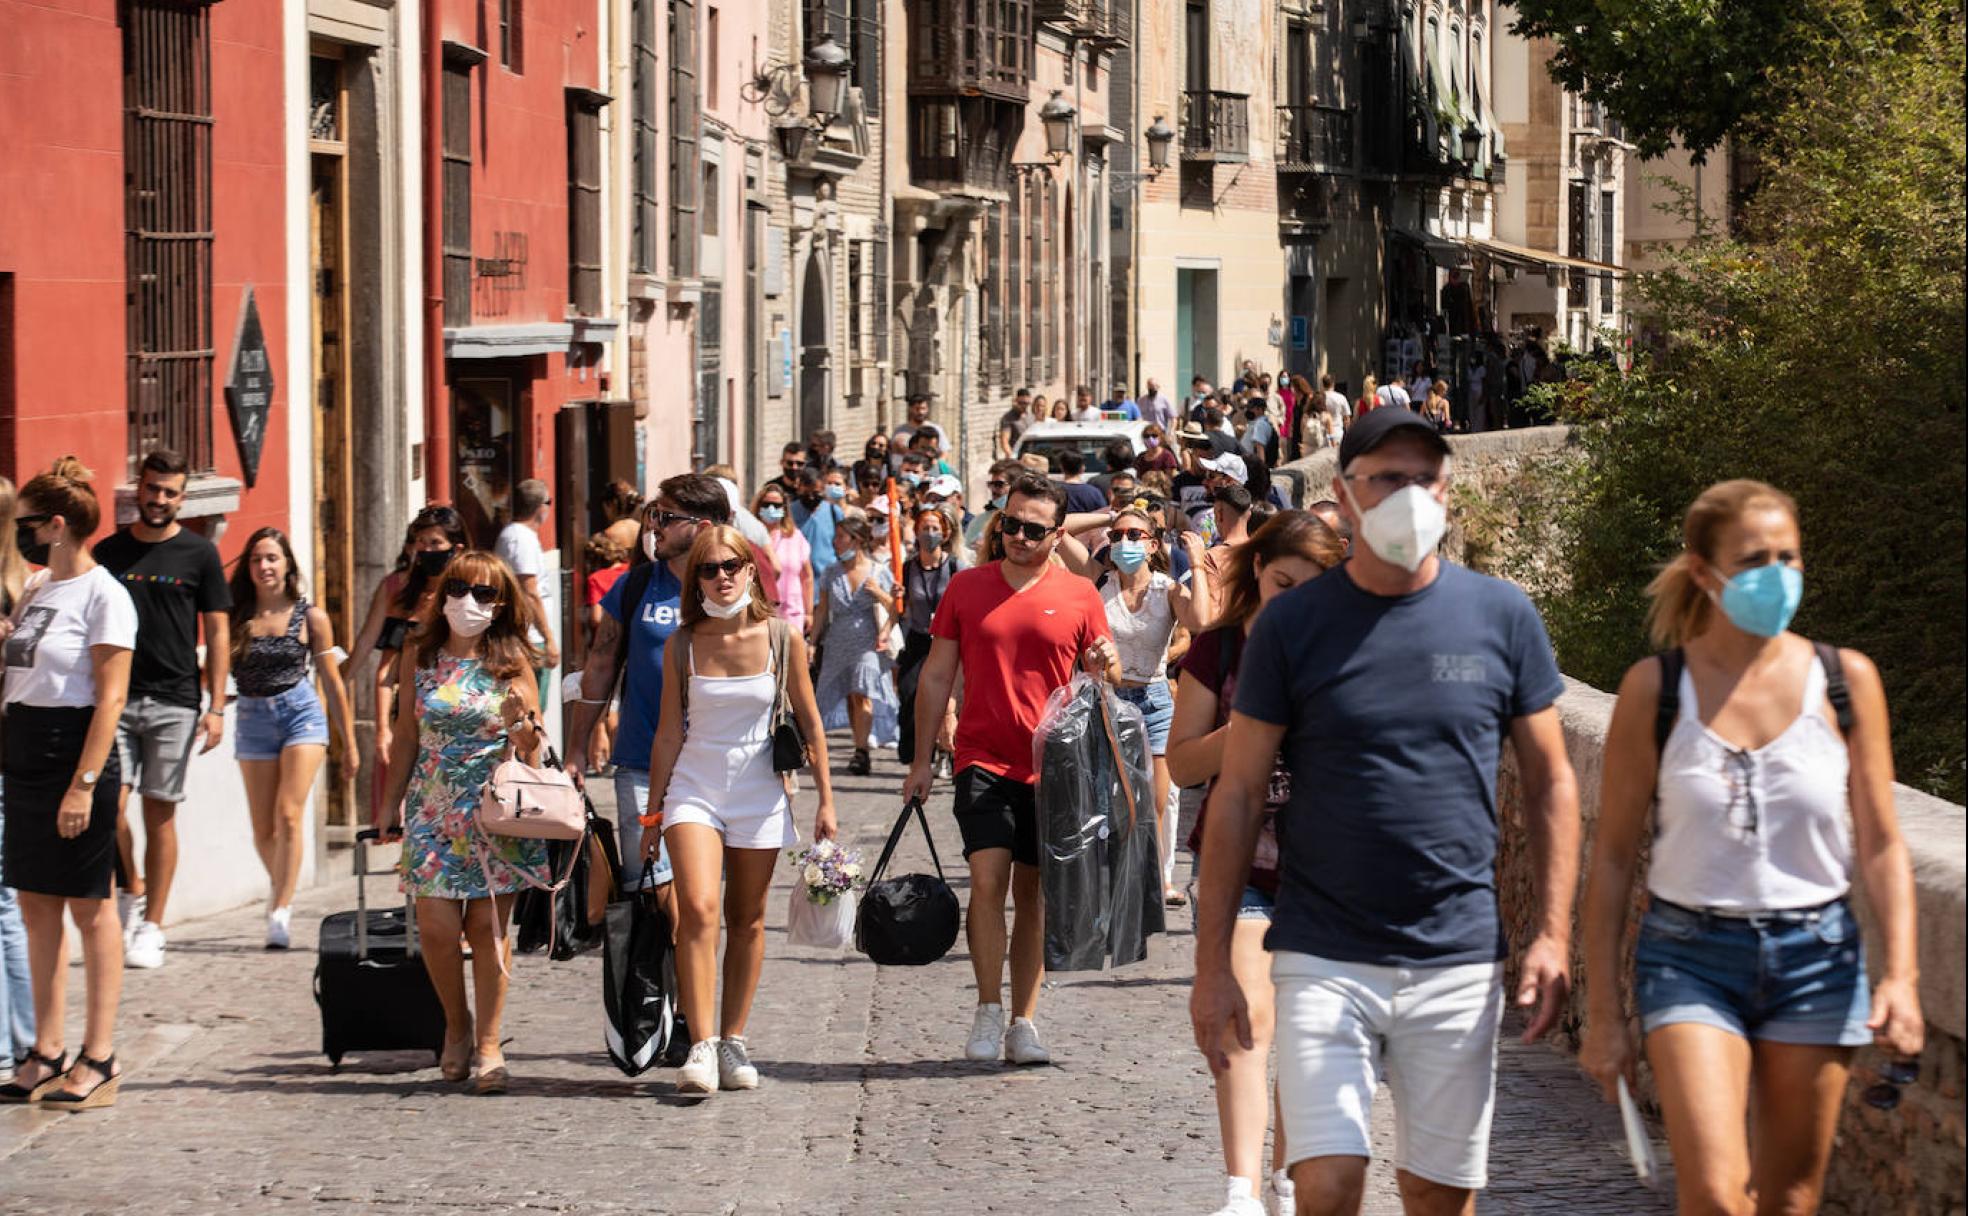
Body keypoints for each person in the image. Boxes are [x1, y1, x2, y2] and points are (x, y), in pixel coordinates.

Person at [1190, 407, 1581, 1214]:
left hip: (1454, 951)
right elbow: (1238, 793)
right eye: (1387, 478)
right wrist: (1211, 964)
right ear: (1345, 495)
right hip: (1322, 948)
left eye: (1424, 478)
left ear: (1448, 490)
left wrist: (1552, 932)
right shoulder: (1293, 625)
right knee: (1327, 1181)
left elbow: (1550, 782)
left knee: (1437, 1193)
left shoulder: (1500, 615)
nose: (1409, 494)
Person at [1577, 480, 1924, 1216]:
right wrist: (1604, 1011)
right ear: (1705, 572)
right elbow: (1610, 859)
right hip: (1690, 957)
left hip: (1818, 954)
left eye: (1789, 557)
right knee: (1713, 1194)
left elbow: (1882, 844)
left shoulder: (1846, 682)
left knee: (1791, 1199)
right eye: (1755, 560)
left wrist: (1900, 976)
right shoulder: (1656, 689)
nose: (1778, 574)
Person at [902, 473, 1119, 1067]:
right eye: (1010, 524)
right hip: (981, 757)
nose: (1019, 536)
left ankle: (1024, 1021)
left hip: (1054, 767)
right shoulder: (967, 587)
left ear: (1057, 534)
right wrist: (921, 761)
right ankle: (987, 1007)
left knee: (1034, 895)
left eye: (1033, 529)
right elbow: (937, 676)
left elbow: (1106, 675)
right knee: (987, 880)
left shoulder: (1080, 595)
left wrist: (1105, 660)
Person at [1169, 510, 1345, 1216]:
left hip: (1326, 868)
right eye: (1282, 584)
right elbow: (1182, 765)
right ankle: (1240, 1193)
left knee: (1308, 1034)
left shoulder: (1347, 653)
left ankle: (1286, 1179)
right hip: (1240, 860)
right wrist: (1244, 730)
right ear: (1259, 570)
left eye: (1312, 590)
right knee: (1248, 1013)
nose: (1294, 603)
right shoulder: (1218, 649)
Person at [642, 525, 834, 1094]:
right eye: (708, 569)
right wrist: (652, 815)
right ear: (695, 579)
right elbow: (668, 734)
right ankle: (700, 1045)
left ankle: (732, 1039)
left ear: (751, 570)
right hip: (694, 787)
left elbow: (811, 723)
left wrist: (826, 800)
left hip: (759, 790)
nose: (721, 577)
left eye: (731, 565)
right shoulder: (682, 644)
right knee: (698, 909)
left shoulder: (781, 637)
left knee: (746, 917)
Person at [378, 550, 548, 1093]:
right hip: (432, 806)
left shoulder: (511, 660)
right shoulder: (420, 654)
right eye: (458, 589)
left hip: (494, 810)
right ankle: (457, 1023)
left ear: (500, 604)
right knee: (435, 927)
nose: (467, 601)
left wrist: (520, 724)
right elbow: (407, 734)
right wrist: (388, 804)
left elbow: (534, 747)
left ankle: (490, 1043)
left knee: (487, 929)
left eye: (483, 593)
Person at [0, 457, 136, 1108]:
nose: (17, 533)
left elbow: (111, 698)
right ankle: (45, 1052)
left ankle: (100, 1055)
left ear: (56, 526)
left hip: (76, 752)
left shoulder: (105, 596)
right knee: (35, 907)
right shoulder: (35, 587)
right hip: (24, 752)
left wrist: (82, 784)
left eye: (25, 523)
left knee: (90, 907)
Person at [92, 448, 230, 972]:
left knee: (160, 813)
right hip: (116, 696)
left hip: (175, 699)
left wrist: (217, 706)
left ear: (182, 497)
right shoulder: (109, 552)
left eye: (170, 492)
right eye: (153, 489)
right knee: (108, 804)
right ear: (139, 488)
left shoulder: (200, 554)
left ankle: (153, 925)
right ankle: (132, 885)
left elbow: (217, 631)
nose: (159, 499)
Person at [566, 475, 733, 894]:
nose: (653, 525)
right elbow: (601, 663)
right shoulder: (635, 584)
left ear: (702, 527)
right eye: (652, 514)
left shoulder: (732, 589)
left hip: (718, 768)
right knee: (654, 892)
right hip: (641, 763)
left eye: (665, 517)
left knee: (702, 898)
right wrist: (577, 746)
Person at [227, 528, 357, 948]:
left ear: (287, 564)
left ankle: (280, 909)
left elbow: (332, 683)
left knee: (288, 815)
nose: (264, 566)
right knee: (263, 829)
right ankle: (282, 885)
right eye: (256, 559)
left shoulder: (310, 616)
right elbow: (214, 667)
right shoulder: (235, 616)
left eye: (272, 558)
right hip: (252, 718)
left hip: (300, 715)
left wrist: (349, 743)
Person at [1080, 506, 1208, 907]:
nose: (1124, 542)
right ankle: (1114, 875)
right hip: (1108, 699)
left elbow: (1200, 622)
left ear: (1153, 545)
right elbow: (1058, 528)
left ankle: (1159, 878)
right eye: (1117, 536)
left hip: (1154, 700)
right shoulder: (1098, 581)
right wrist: (1107, 517)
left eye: (1135, 535)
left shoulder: (1167, 589)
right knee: (1110, 796)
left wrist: (1197, 565)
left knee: (1159, 798)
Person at [364, 507, 468, 823]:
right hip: (413, 714)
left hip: (461, 713)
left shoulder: (474, 596)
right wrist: (383, 728)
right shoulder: (406, 597)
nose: (426, 550)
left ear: (456, 548)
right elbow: (386, 672)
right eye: (421, 542)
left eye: (435, 543)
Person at [811, 513, 898, 778]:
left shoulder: (878, 571)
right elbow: (822, 610)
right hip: (838, 642)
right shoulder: (831, 572)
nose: (835, 542)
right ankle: (859, 744)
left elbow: (895, 608)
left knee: (862, 692)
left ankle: (862, 751)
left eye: (841, 537)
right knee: (850, 695)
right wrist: (812, 642)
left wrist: (879, 593)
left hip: (867, 642)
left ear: (856, 540)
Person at [0, 477, 34, 1077]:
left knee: (6, 906)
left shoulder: (23, 589)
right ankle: (24, 1040)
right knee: (8, 907)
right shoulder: (26, 583)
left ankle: (16, 1044)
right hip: (16, 751)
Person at [895, 506, 964, 778]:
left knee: (947, 700)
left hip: (947, 640)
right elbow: (901, 609)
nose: (930, 534)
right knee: (910, 694)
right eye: (925, 528)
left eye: (935, 529)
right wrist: (895, 598)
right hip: (918, 638)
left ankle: (948, 751)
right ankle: (918, 757)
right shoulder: (907, 567)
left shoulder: (956, 566)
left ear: (945, 534)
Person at [494, 479, 562, 704]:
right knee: (532, 706)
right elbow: (529, 591)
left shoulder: (518, 536)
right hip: (528, 638)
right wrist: (548, 638)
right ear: (541, 507)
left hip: (527, 636)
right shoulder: (520, 538)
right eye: (549, 502)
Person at [579, 531, 630, 769]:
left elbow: (597, 617)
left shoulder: (597, 578)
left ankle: (613, 754)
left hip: (610, 647)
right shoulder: (632, 573)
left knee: (609, 705)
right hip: (634, 646)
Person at [755, 483, 814, 638]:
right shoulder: (750, 537)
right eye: (766, 504)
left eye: (776, 505)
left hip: (791, 614)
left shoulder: (795, 537)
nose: (771, 508)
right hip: (759, 615)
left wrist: (809, 613)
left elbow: (807, 577)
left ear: (784, 508)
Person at [791, 468, 847, 587]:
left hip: (828, 582)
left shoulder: (834, 512)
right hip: (797, 582)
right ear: (799, 489)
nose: (811, 497)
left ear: (823, 489)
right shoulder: (789, 513)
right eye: (807, 493)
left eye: (816, 493)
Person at [1054, 450, 1108, 515]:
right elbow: (1104, 514)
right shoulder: (1093, 492)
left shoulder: (1053, 491)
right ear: (1083, 468)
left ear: (1061, 467)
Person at [599, 480, 644, 554]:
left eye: (605, 508)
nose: (605, 513)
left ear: (613, 503)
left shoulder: (607, 535)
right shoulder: (643, 530)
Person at [998, 389, 1035, 458]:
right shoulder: (1008, 418)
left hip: (1032, 455)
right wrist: (1012, 456)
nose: (1024, 406)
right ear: (1016, 401)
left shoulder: (1031, 416)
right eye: (1021, 403)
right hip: (1017, 456)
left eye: (1026, 403)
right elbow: (1004, 442)